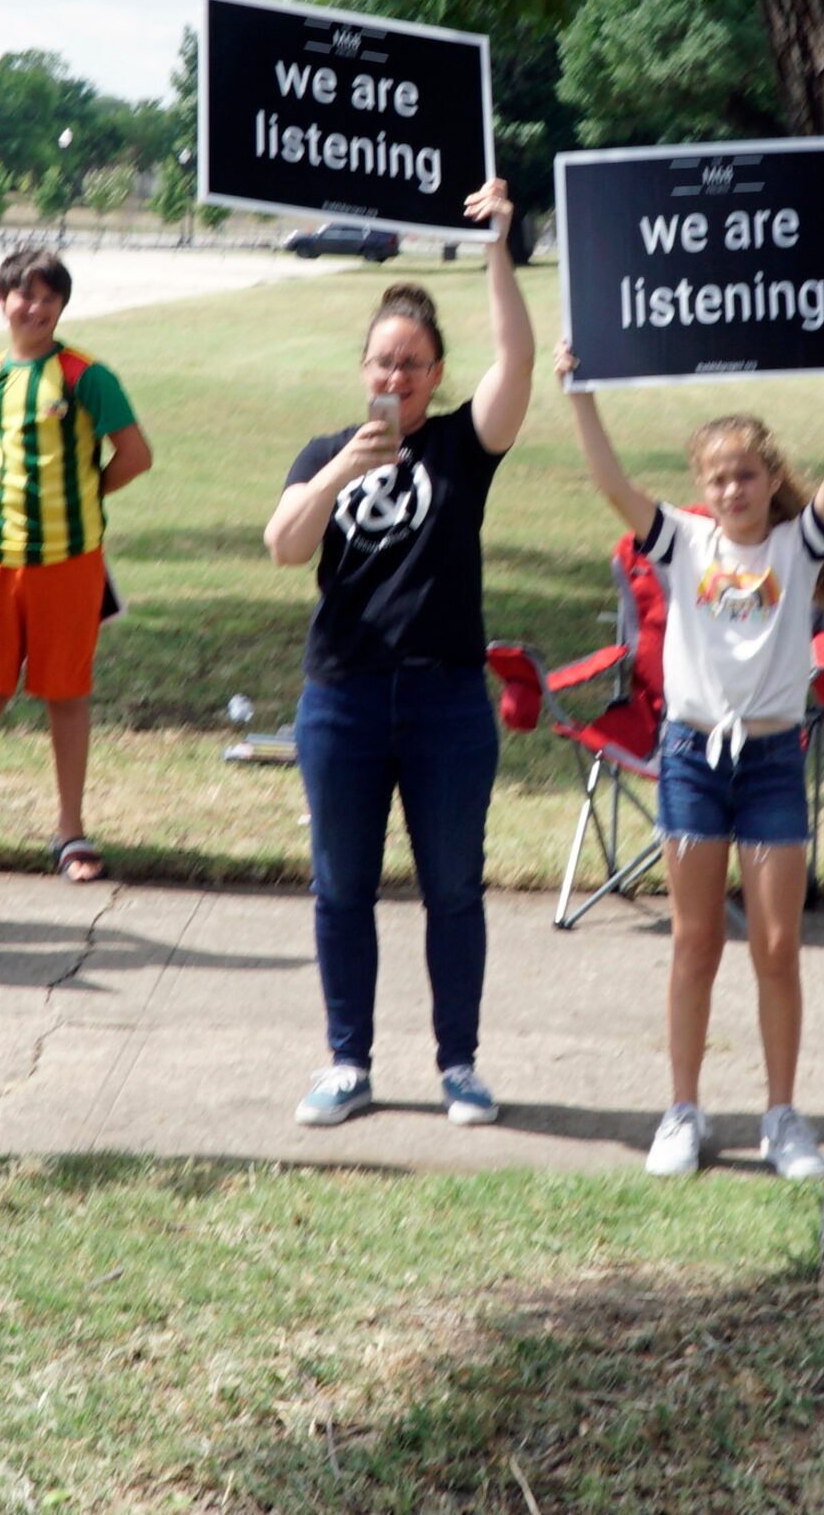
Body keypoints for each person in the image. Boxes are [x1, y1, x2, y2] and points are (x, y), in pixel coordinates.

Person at [265, 179, 535, 1131]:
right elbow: (284, 545)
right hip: (341, 700)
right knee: (341, 886)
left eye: (414, 363)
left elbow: (518, 359)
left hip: (448, 704)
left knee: (453, 886)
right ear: (364, 366)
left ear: (435, 371)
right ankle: (348, 1062)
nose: (396, 376)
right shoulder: (325, 451)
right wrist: (343, 466)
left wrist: (499, 245)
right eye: (384, 361)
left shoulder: (466, 445)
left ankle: (459, 1064)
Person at [560, 365, 824, 1180]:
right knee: (694, 943)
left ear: (771, 477)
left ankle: (783, 1117)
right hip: (690, 758)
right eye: (717, 477)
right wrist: (580, 391)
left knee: (779, 946)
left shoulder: (799, 542)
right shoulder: (682, 542)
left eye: (747, 474)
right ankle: (682, 1111)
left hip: (771, 763)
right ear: (701, 486)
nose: (732, 489)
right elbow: (610, 482)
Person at [0, 248, 152, 884]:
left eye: (46, 298)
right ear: (2, 302)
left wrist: (87, 492)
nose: (33, 307)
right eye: (22, 296)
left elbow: (135, 456)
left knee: (67, 696)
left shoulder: (86, 375)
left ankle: (71, 830)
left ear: (61, 306)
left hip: (69, 565)